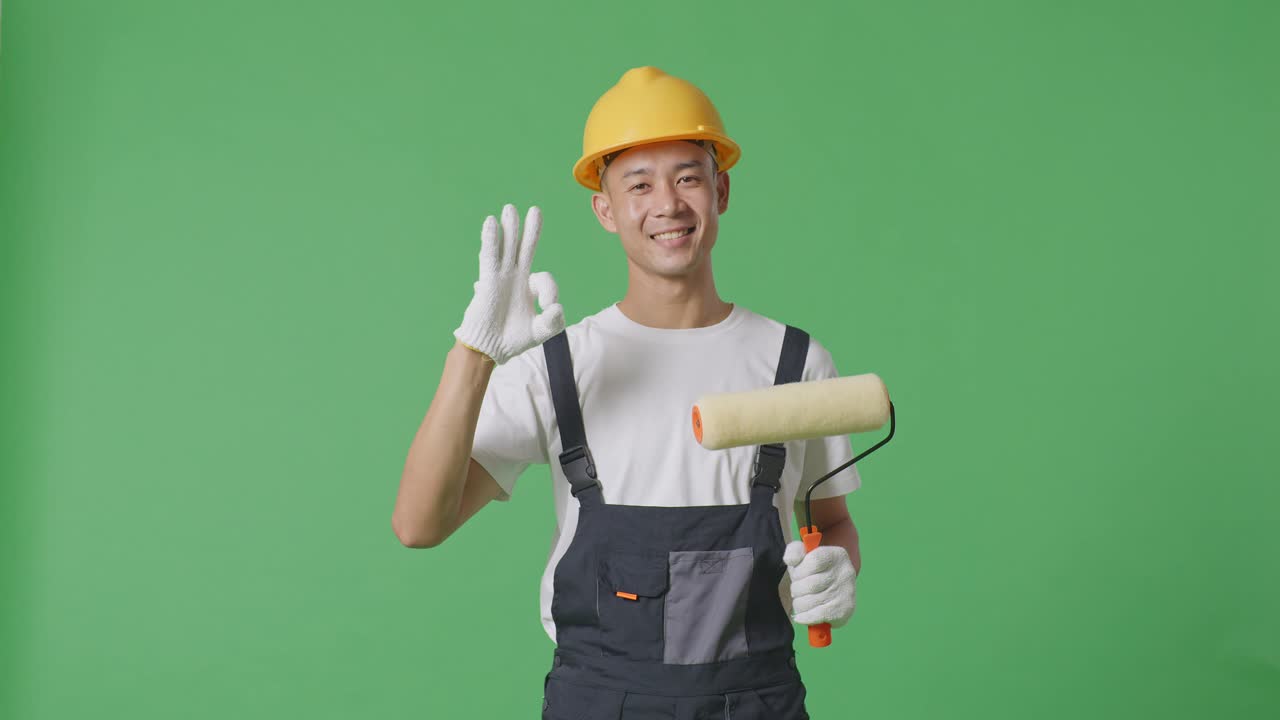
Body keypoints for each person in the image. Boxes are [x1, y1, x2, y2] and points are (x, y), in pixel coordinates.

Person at [393, 66, 862, 719]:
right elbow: (419, 524)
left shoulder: (795, 363)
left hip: (758, 702)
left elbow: (830, 520)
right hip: (599, 703)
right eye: (639, 184)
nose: (667, 204)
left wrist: (837, 569)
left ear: (720, 191)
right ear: (606, 209)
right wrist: (473, 355)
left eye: (688, 177)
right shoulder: (558, 366)